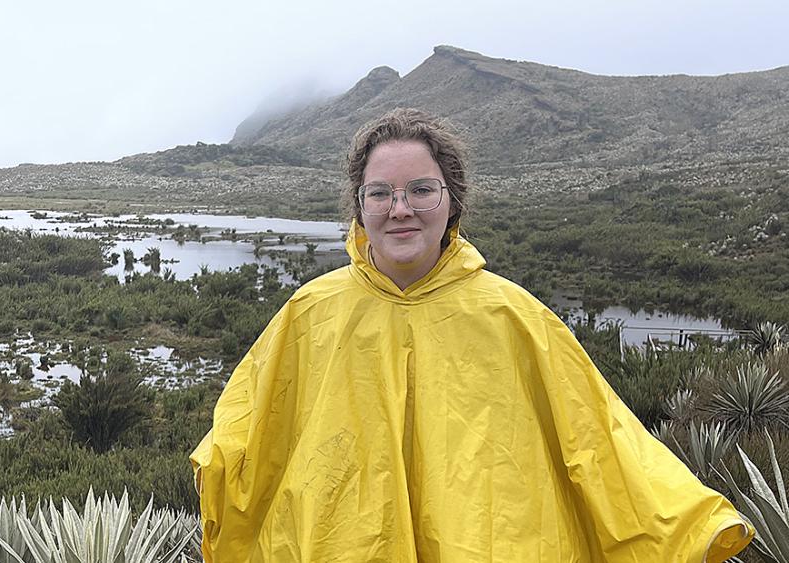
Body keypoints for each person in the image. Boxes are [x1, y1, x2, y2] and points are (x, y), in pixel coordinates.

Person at [190, 108, 754, 562]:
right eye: (380, 193)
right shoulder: (311, 311)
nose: (400, 209)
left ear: (451, 200)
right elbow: (249, 430)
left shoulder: (512, 315)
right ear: (359, 210)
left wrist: (688, 522)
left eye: (420, 190)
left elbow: (600, 438)